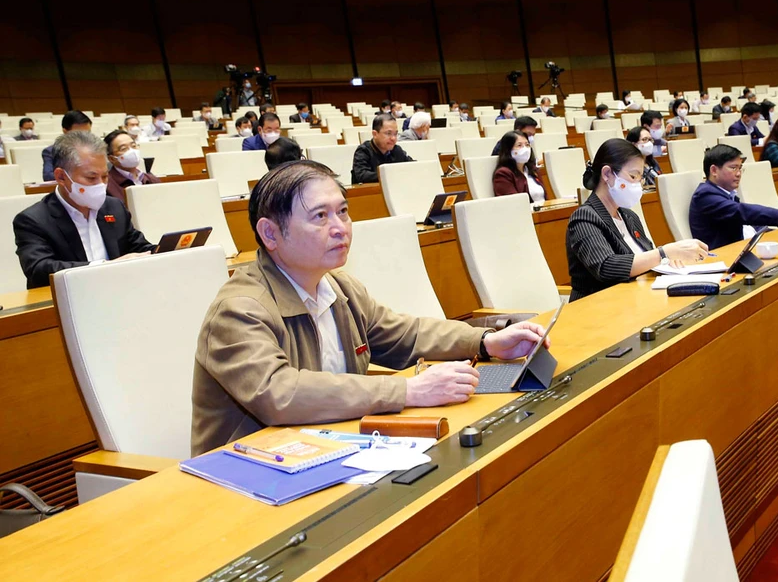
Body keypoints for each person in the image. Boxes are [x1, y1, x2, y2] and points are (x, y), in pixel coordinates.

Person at [190, 160, 550, 455]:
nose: (340, 228)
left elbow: (405, 335)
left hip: (330, 448)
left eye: (343, 212)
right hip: (248, 472)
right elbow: (279, 393)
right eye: (320, 216)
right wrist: (409, 391)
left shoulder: (339, 287)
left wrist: (485, 341)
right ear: (270, 233)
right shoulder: (240, 309)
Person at [566, 140, 707, 301]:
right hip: (598, 306)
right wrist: (663, 253)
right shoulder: (584, 217)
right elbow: (606, 267)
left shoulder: (629, 216)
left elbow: (647, 258)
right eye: (633, 176)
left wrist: (668, 261)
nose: (638, 185)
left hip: (636, 299)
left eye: (640, 179)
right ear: (607, 174)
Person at [13, 131, 155, 289]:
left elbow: (138, 247)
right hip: (71, 296)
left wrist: (166, 250)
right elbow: (39, 270)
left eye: (105, 176)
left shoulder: (114, 207)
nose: (101, 185)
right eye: (91, 178)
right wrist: (104, 267)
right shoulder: (33, 220)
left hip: (120, 290)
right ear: (61, 177)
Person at [688, 145, 778, 250]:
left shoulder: (726, 193)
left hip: (740, 250)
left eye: (740, 168)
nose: (739, 173)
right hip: (722, 258)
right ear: (714, 170)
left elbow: (751, 222)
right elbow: (743, 212)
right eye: (733, 168)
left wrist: (777, 230)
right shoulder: (705, 195)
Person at [351, 114, 414, 184]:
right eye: (388, 133)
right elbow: (362, 175)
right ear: (375, 134)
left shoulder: (396, 149)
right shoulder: (363, 151)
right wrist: (392, 174)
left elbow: (413, 166)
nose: (393, 138)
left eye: (395, 134)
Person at [104, 129, 161, 203]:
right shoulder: (107, 185)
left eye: (133, 146)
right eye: (123, 149)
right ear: (112, 158)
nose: (132, 151)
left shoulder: (153, 180)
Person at [492, 131, 546, 202]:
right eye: (519, 145)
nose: (525, 149)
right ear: (508, 150)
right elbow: (513, 202)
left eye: (527, 145)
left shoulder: (533, 170)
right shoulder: (503, 174)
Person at [42, 110, 92, 181]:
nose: (84, 137)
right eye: (78, 133)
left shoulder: (95, 149)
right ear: (65, 131)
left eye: (87, 133)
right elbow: (48, 176)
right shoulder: (50, 151)